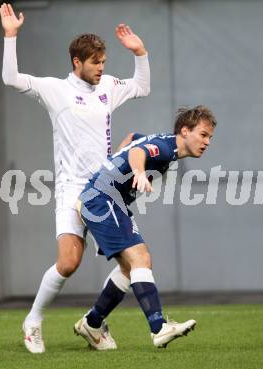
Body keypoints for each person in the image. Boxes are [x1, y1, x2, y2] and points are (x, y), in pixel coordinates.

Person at [0, 2, 150, 353]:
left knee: (135, 264)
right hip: (70, 189)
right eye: (95, 62)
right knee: (68, 262)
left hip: (105, 188)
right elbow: (11, 79)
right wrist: (10, 37)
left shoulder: (108, 87)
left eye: (103, 62)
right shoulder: (56, 90)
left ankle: (94, 324)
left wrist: (140, 53)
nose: (101, 68)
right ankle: (33, 321)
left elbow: (141, 87)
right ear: (76, 63)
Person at [74, 106, 217, 348]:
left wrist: (118, 159)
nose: (207, 142)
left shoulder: (165, 144)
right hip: (101, 199)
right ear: (185, 131)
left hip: (108, 201)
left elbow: (133, 138)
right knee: (141, 257)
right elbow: (138, 151)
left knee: (132, 268)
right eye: (203, 135)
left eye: (210, 137)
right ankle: (159, 327)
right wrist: (138, 172)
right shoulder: (165, 148)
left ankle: (92, 322)